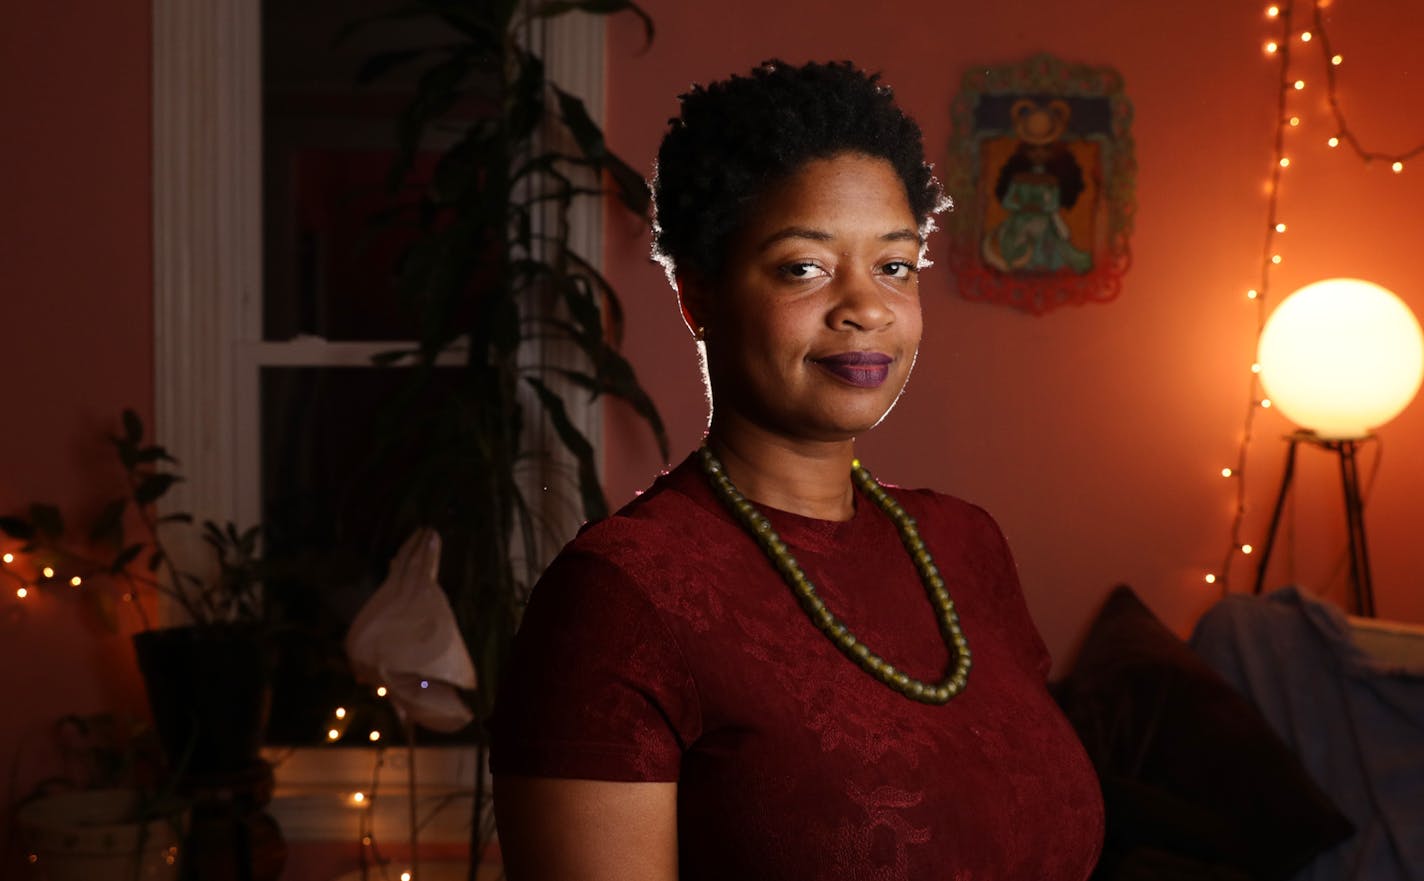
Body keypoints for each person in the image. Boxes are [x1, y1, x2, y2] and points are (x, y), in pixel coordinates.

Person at [490, 60, 1104, 881]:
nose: (868, 307)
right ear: (698, 294)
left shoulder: (966, 545)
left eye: (894, 265)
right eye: (805, 267)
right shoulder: (619, 596)